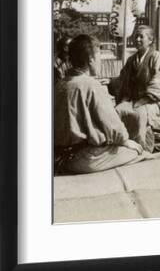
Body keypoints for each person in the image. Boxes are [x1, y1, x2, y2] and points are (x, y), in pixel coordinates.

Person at [54, 34, 148, 174]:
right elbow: (112, 126)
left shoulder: (61, 84)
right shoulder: (91, 85)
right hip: (85, 158)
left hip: (58, 154)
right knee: (139, 152)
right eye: (99, 57)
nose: (100, 61)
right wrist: (126, 141)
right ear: (91, 60)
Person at [112, 25, 160, 152]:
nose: (137, 40)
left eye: (141, 37)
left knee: (140, 114)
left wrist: (143, 101)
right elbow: (123, 80)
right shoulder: (132, 60)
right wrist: (111, 83)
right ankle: (121, 143)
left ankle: (142, 148)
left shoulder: (157, 58)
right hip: (134, 99)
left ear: (150, 40)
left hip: (155, 101)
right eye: (136, 36)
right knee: (117, 110)